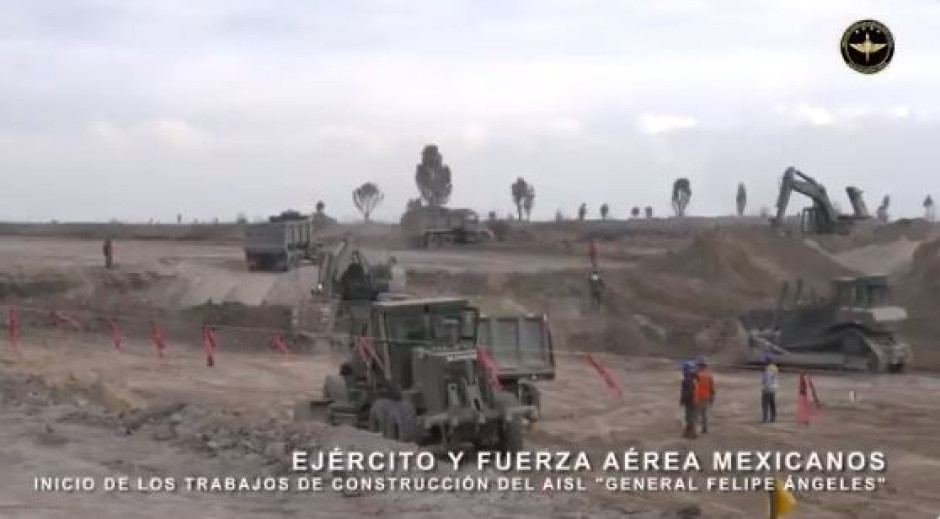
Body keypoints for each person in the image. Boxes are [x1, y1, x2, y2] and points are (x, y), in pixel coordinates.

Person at [694, 357, 715, 433]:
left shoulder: (696, 374)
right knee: (704, 413)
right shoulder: (709, 374)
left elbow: (692, 385)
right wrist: (712, 397)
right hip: (706, 396)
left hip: (697, 396)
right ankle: (704, 428)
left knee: (696, 413)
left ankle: (695, 429)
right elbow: (712, 387)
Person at [679, 361, 699, 439]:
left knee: (689, 417)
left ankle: (693, 434)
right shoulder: (694, 377)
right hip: (695, 399)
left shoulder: (687, 379)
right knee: (690, 416)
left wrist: (683, 400)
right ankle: (687, 432)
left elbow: (687, 392)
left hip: (690, 400)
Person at [761, 358, 779, 423]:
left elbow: (767, 379)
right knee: (772, 403)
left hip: (768, 388)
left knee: (765, 404)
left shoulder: (768, 369)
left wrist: (764, 387)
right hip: (774, 388)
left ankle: (765, 418)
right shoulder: (775, 368)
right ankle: (773, 417)